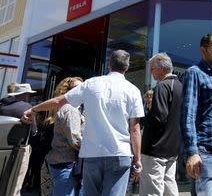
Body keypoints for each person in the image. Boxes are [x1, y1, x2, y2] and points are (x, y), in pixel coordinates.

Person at [22, 50, 145, 196]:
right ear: (127, 67)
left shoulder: (91, 84)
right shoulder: (133, 90)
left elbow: (58, 101)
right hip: (120, 153)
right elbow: (135, 129)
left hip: (92, 153)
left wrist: (34, 109)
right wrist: (137, 159)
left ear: (109, 65)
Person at [181, 33, 212, 196]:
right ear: (203, 50)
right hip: (203, 152)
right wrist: (192, 152)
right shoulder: (194, 73)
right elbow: (188, 115)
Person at [140, 53, 182, 196]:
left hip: (156, 148)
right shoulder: (180, 86)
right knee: (169, 186)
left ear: (161, 67)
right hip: (173, 147)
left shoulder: (162, 86)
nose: (151, 73)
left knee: (152, 190)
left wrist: (142, 118)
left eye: (152, 68)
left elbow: (159, 117)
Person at [45, 77, 84, 196]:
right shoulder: (71, 110)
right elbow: (75, 139)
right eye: (80, 88)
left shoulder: (70, 108)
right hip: (66, 163)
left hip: (61, 162)